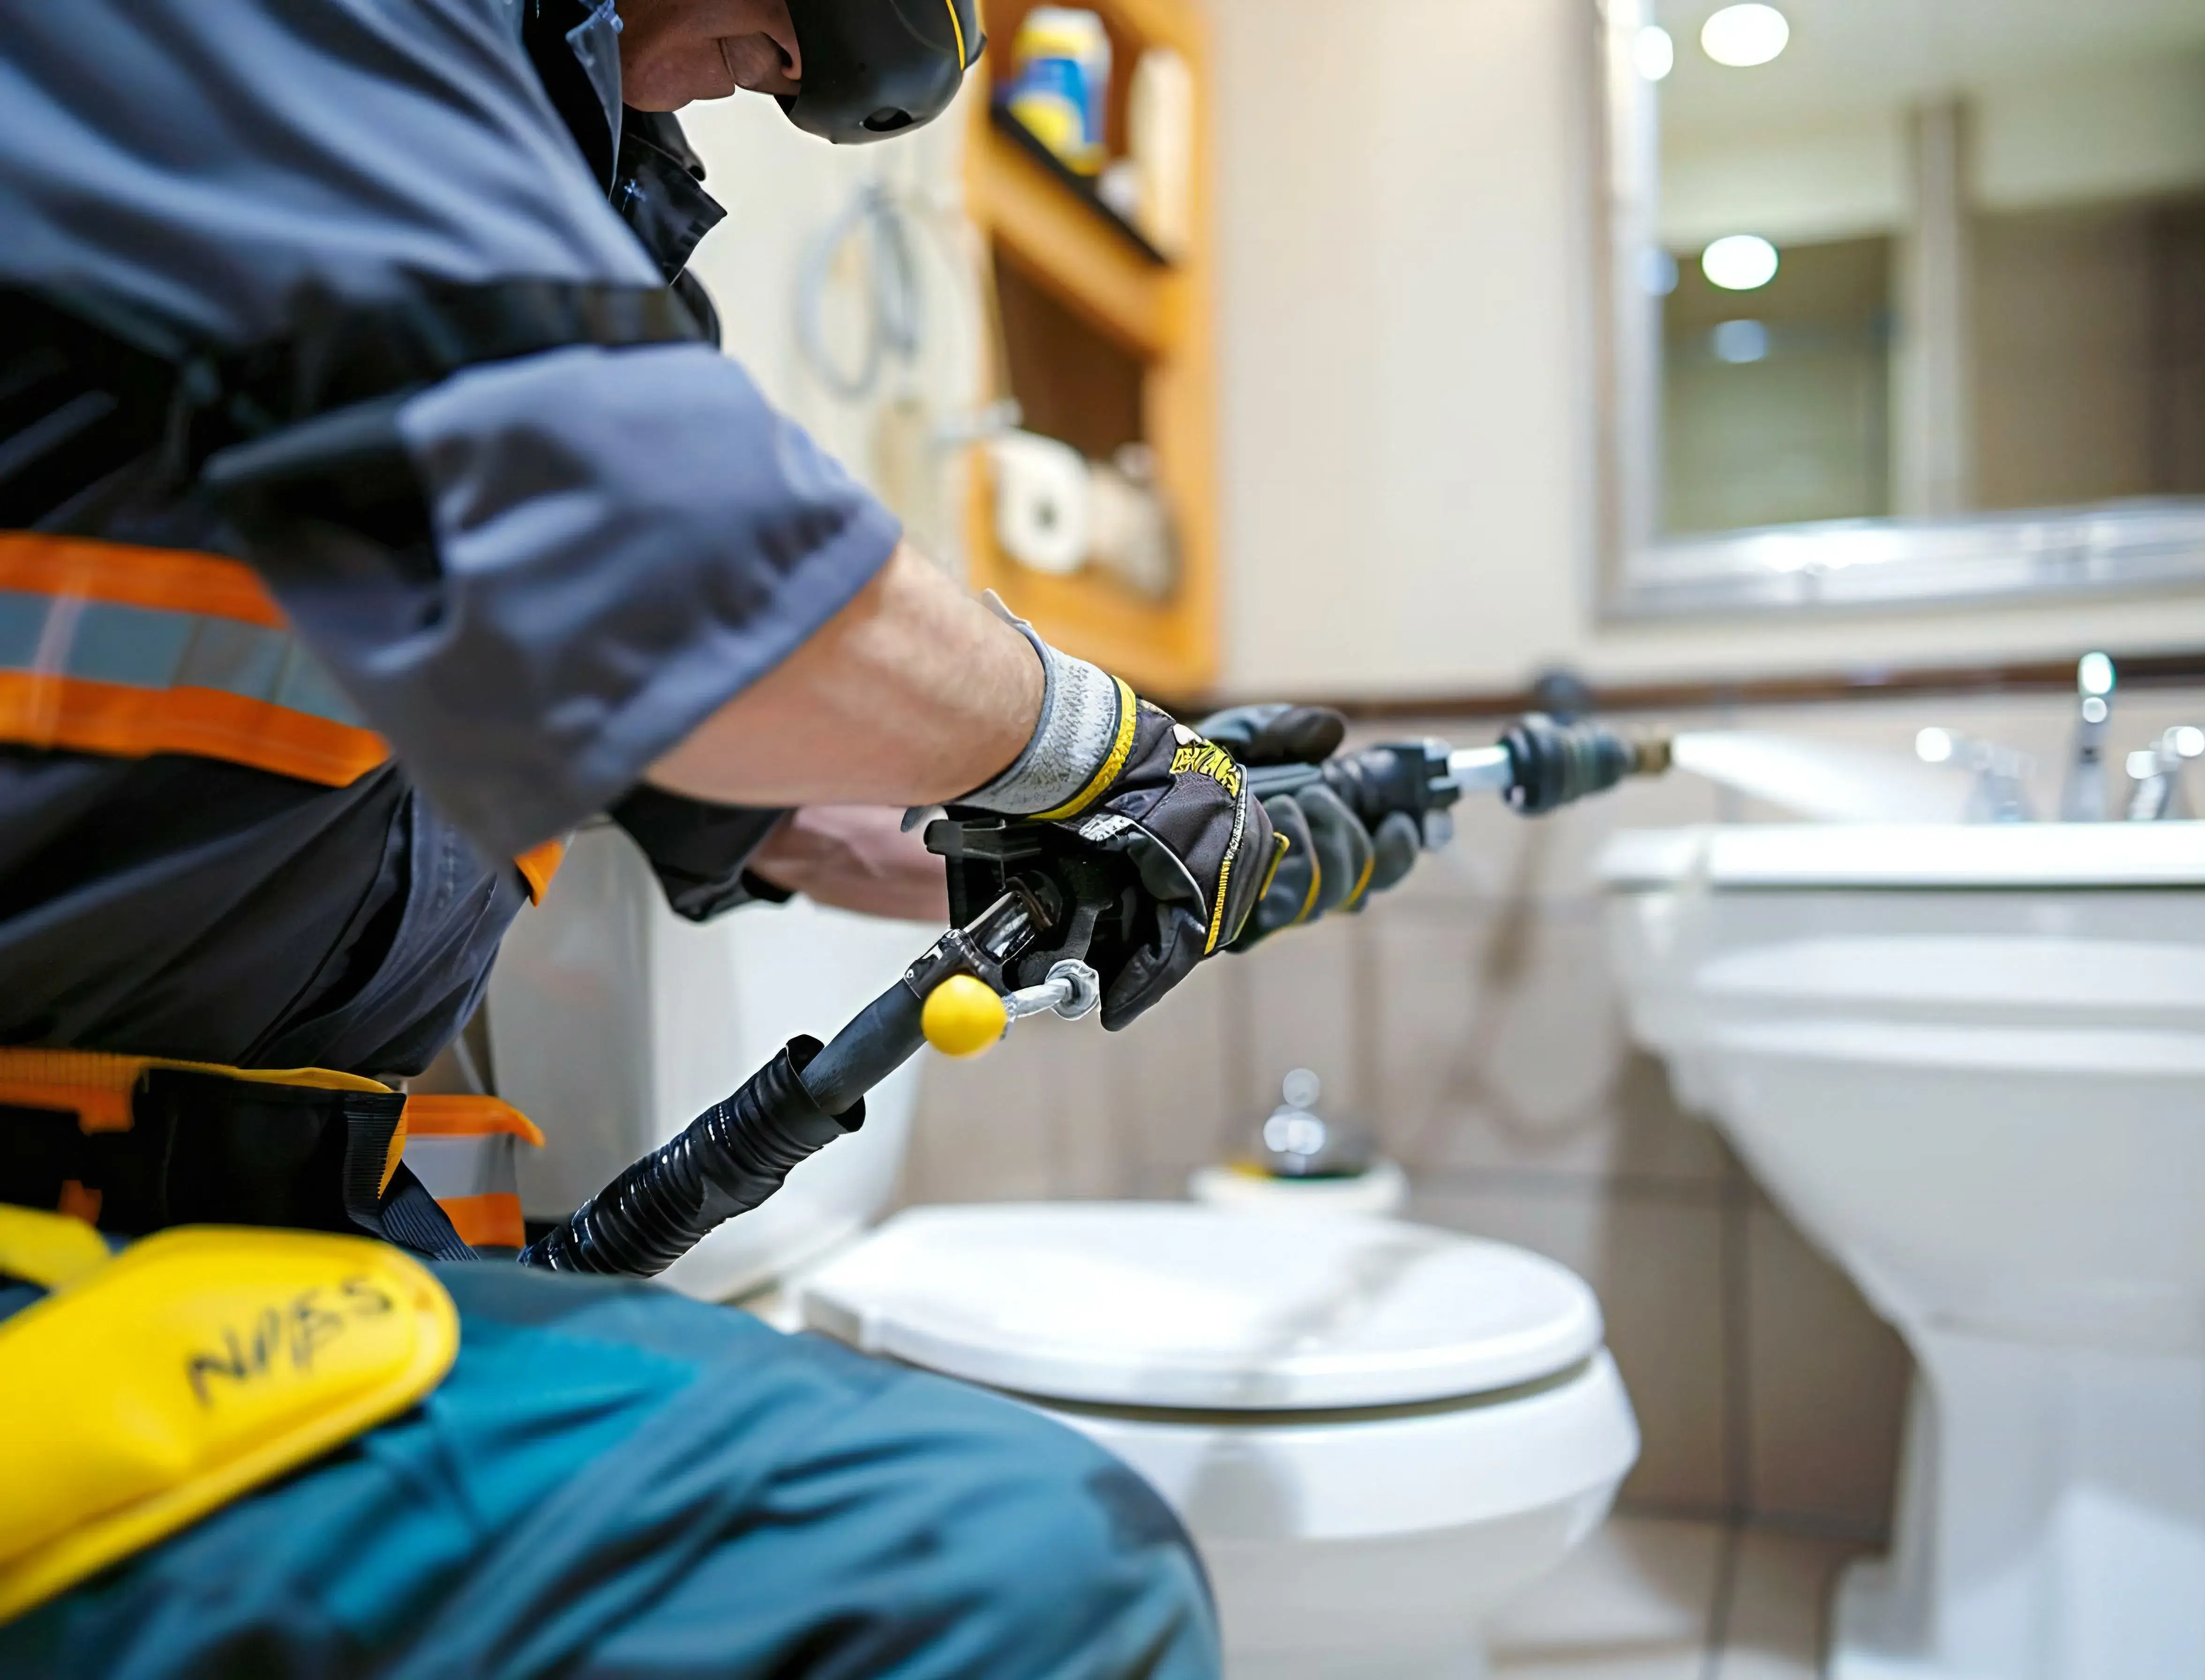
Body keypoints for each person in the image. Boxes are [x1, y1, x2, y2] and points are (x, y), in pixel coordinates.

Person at [0, 1, 1410, 1672]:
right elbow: (671, 577)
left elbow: (766, 789)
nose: (774, 72)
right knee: (1034, 1572)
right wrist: (1111, 755)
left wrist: (1112, 850)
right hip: (74, 1252)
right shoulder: (295, 40)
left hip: (248, 1248)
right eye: (771, 33)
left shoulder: (520, 210)